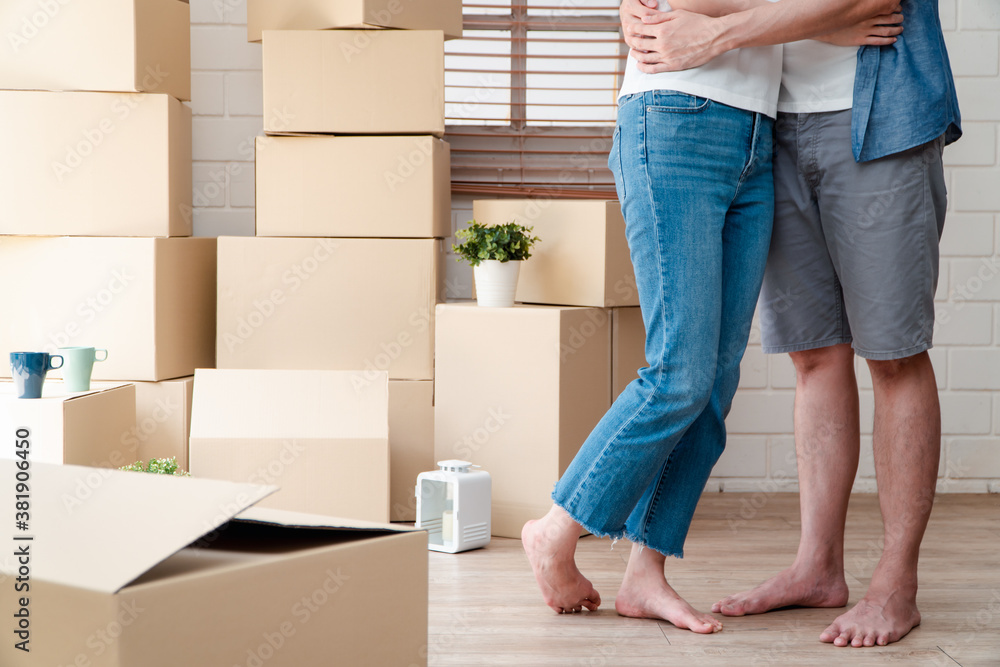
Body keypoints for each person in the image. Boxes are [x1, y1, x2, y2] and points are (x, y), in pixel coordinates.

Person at [521, 0, 902, 635]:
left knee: (713, 384)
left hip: (756, 134)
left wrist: (816, 20)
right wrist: (823, 17)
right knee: (679, 373)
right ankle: (558, 526)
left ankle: (645, 574)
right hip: (675, 116)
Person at [620, 0, 961, 648]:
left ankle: (895, 583)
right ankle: (818, 564)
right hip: (770, 126)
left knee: (892, 355)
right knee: (814, 354)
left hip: (878, 114)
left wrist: (711, 26)